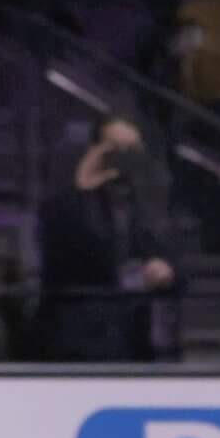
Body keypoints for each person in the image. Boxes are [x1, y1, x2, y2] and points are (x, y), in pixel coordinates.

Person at [36, 117, 178, 358]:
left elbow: (175, 260)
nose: (123, 157)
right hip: (80, 340)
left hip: (134, 339)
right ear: (95, 150)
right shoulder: (69, 201)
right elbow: (61, 247)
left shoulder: (147, 203)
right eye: (115, 148)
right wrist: (83, 187)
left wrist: (166, 271)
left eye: (131, 149)